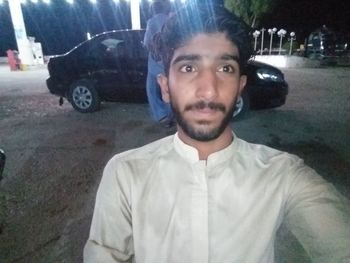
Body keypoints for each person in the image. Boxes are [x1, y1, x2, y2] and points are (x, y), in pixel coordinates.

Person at [84, 3, 350, 263]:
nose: (209, 89)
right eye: (188, 68)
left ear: (239, 88)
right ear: (165, 87)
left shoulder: (282, 175)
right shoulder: (125, 173)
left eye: (225, 69)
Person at [143, 0, 173, 126]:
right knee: (168, 89)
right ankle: (172, 114)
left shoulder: (152, 22)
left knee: (151, 89)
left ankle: (162, 116)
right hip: (169, 61)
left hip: (155, 63)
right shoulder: (171, 19)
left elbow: (146, 43)